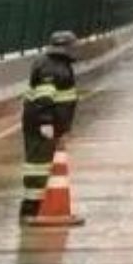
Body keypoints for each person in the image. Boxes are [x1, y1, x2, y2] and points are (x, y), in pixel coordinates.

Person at [19, 31, 79, 222]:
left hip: (43, 123)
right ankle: (31, 210)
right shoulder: (54, 68)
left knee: (40, 165)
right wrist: (46, 122)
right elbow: (44, 97)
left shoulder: (51, 63)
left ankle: (33, 208)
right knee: (38, 166)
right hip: (42, 124)